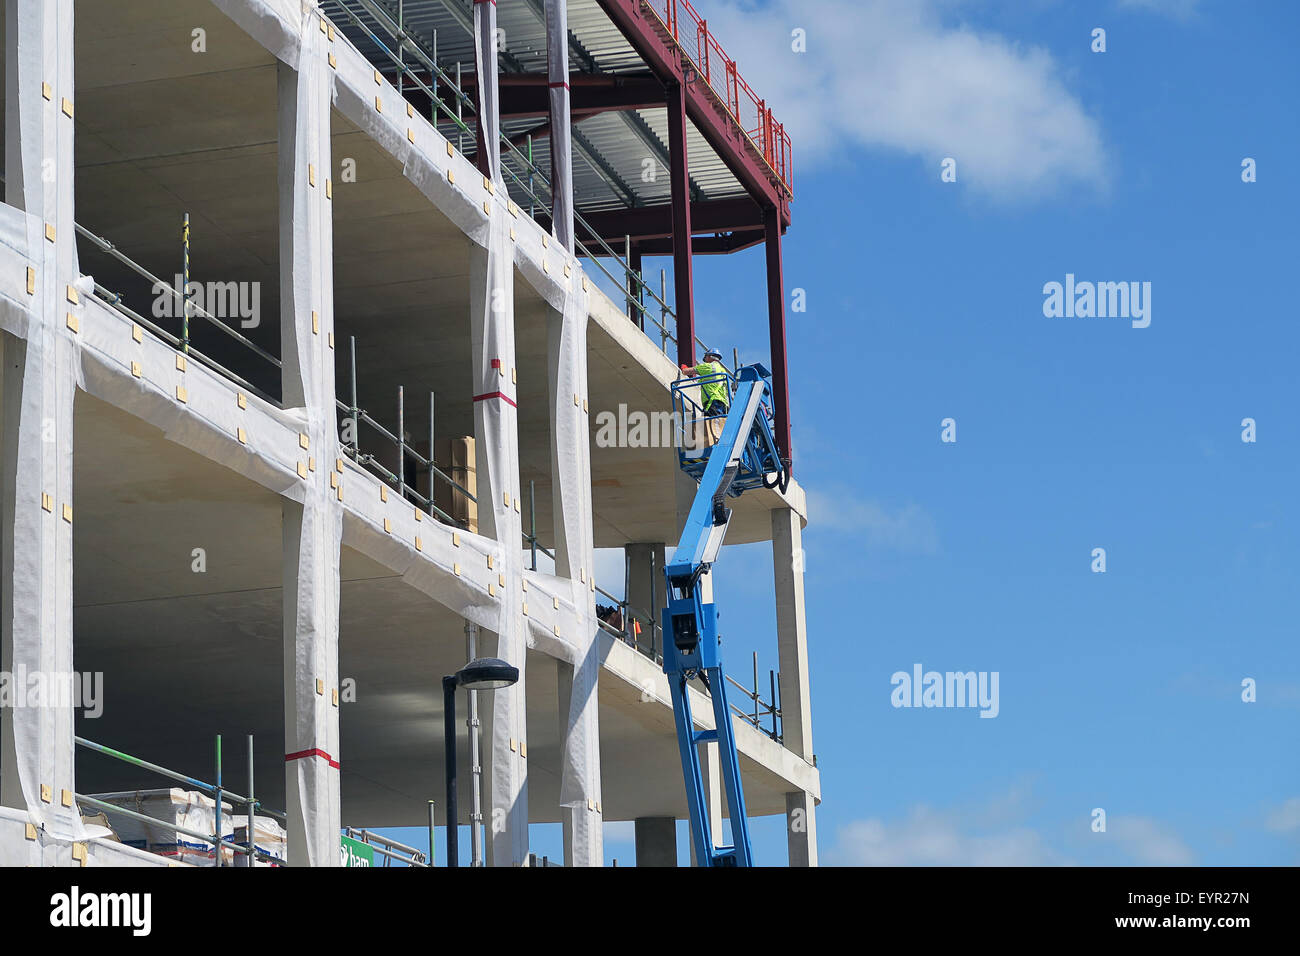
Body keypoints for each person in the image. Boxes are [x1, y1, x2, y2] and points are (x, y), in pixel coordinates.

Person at [680, 349, 729, 448]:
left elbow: (686, 372)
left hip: (712, 401)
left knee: (712, 425)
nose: (705, 359)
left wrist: (683, 367)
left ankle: (715, 446)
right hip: (723, 403)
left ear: (710, 357)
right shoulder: (723, 371)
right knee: (719, 425)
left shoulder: (708, 367)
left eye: (706, 357)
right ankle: (716, 444)